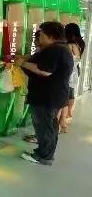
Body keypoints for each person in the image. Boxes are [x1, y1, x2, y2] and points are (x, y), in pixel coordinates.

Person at [17, 22, 73, 165]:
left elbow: (45, 70)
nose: (39, 37)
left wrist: (22, 63)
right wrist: (25, 59)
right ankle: (47, 153)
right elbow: (41, 61)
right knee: (50, 126)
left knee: (44, 127)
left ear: (51, 36)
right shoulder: (61, 48)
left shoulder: (55, 50)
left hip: (47, 97)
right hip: (55, 95)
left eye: (41, 34)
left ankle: (43, 156)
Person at [58, 23, 85, 133]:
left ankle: (62, 122)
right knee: (69, 95)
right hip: (72, 73)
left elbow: (72, 59)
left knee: (63, 99)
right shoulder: (80, 43)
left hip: (67, 74)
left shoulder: (69, 45)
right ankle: (65, 118)